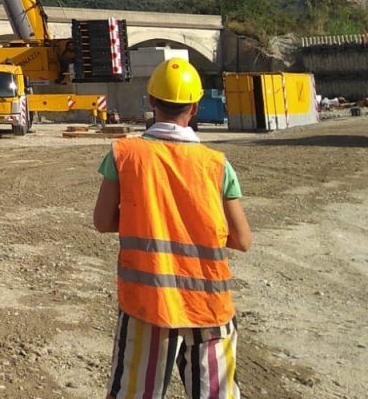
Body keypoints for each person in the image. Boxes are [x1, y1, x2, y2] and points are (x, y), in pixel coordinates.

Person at [93, 59, 253, 399]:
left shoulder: (125, 154)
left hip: (149, 306)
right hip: (209, 307)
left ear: (151, 100)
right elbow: (242, 239)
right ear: (195, 107)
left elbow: (103, 221)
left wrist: (147, 219)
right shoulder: (217, 164)